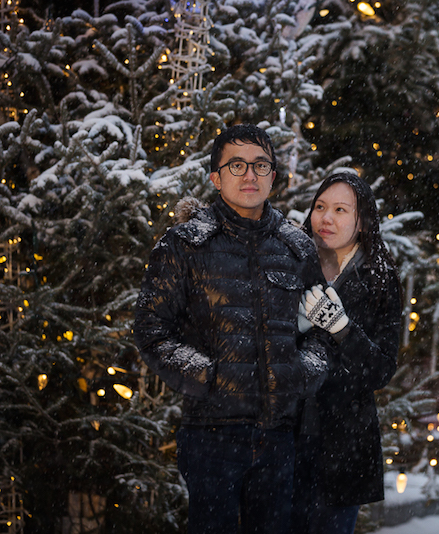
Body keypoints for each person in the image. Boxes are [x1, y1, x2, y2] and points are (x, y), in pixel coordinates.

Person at [133, 124, 329, 534]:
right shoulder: (185, 244)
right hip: (211, 435)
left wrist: (301, 373)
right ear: (215, 177)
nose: (250, 175)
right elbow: (152, 331)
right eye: (236, 165)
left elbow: (321, 331)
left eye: (260, 165)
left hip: (278, 437)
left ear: (273, 177)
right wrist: (210, 377)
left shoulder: (297, 248)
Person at [291, 171, 402, 534]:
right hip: (283, 437)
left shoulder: (380, 278)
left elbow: (380, 370)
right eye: (320, 206)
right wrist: (297, 328)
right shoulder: (292, 262)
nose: (326, 218)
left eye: (341, 209)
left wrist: (341, 328)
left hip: (343, 445)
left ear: (362, 221)